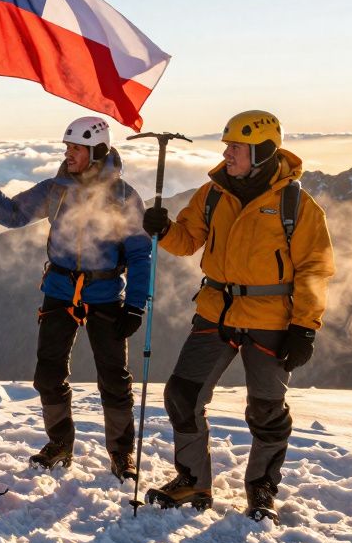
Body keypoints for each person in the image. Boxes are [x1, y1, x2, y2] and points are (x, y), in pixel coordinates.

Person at [141, 110, 334, 520]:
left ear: (261, 152)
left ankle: (262, 487)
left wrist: (305, 327)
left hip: (271, 318)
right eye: (227, 146)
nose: (226, 153)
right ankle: (193, 481)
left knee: (266, 410)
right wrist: (162, 229)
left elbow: (315, 269)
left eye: (236, 147)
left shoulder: (296, 205)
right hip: (216, 310)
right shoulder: (214, 194)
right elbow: (188, 240)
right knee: (182, 394)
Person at [0, 116, 151, 476]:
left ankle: (121, 453)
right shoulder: (56, 190)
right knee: (48, 374)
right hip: (59, 290)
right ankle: (60, 444)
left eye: (76, 149)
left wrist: (135, 305)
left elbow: (141, 254)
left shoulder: (123, 197)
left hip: (105, 294)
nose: (69, 155)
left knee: (114, 378)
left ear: (97, 151)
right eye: (67, 148)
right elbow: (15, 215)